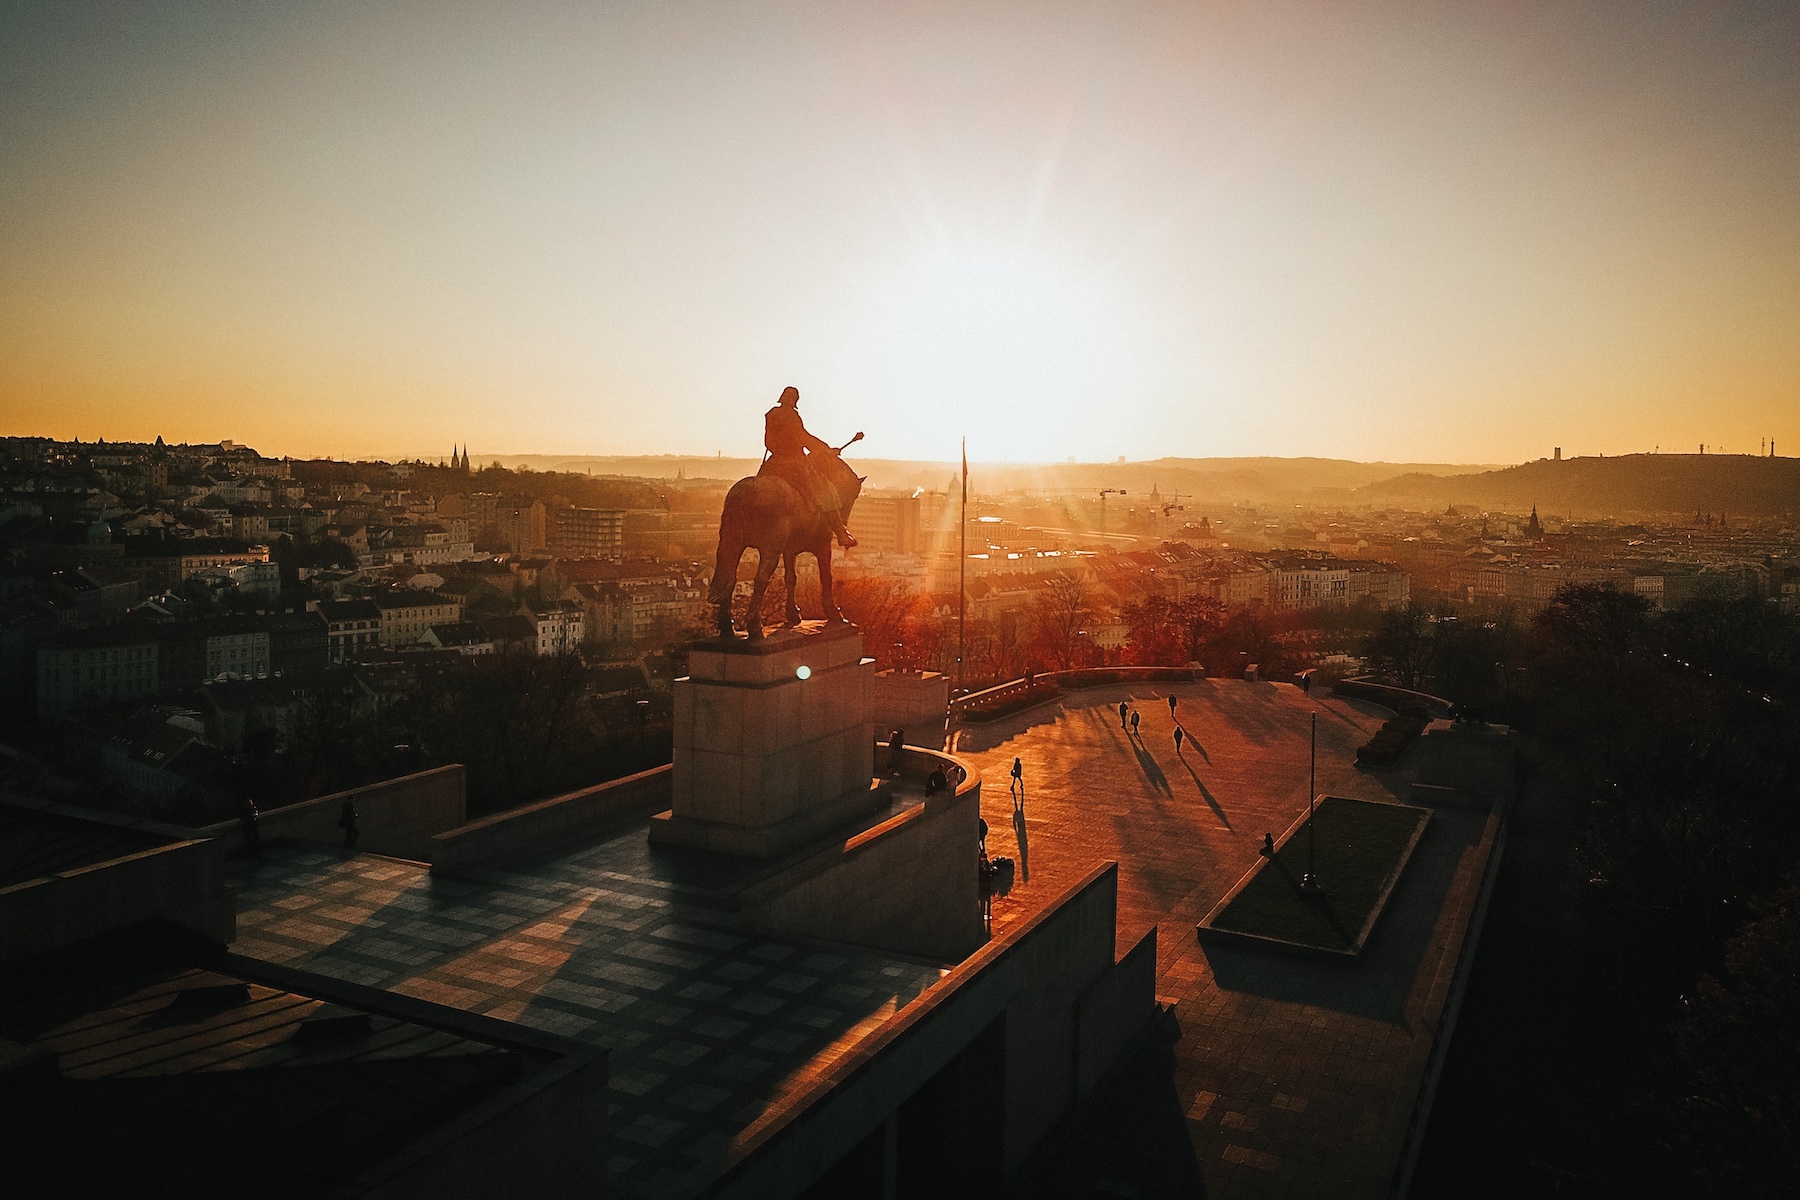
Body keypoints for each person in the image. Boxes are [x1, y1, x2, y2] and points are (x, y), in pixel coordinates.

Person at [760, 385, 857, 548]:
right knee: (827, 490)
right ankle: (841, 533)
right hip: (793, 461)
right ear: (794, 400)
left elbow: (768, 441)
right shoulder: (792, 415)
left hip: (773, 462)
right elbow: (802, 437)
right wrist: (825, 450)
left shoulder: (771, 414)